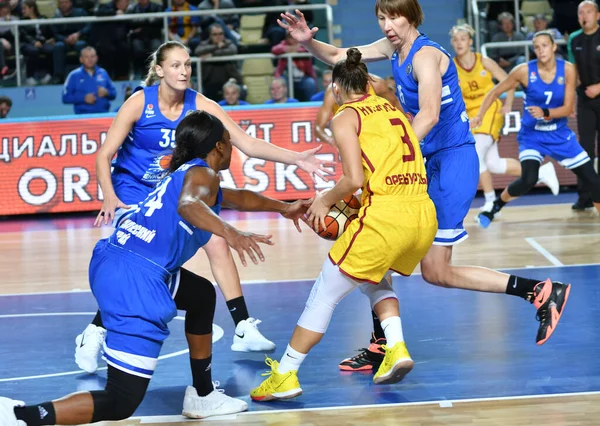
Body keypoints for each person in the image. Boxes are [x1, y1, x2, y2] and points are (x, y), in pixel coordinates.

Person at [278, 0, 570, 372]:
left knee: (436, 271)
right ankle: (382, 343)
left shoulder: (425, 56)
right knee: (379, 239)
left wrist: (394, 154)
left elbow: (430, 114)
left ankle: (538, 291)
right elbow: (338, 55)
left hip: (451, 161)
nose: (387, 25)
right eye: (382, 17)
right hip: (427, 159)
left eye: (394, 16)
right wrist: (306, 42)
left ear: (412, 16)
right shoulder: (393, 48)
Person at [0, 110, 312, 424]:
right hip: (137, 279)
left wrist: (284, 207)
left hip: (114, 258)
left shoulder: (189, 171)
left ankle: (203, 395)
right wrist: (231, 233)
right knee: (120, 400)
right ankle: (20, 417)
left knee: (201, 295)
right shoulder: (203, 176)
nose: (233, 148)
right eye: (230, 142)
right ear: (219, 146)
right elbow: (188, 205)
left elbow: (237, 198)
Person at [74, 41, 334, 374]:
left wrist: (297, 158)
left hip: (175, 190)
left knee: (216, 240)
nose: (183, 71)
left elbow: (248, 143)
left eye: (187, 65)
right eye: (176, 66)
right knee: (143, 263)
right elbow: (103, 154)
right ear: (159, 70)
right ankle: (95, 331)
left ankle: (242, 326)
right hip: (132, 193)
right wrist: (108, 195)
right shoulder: (139, 102)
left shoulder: (200, 104)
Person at [250, 48, 437, 401]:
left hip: (386, 217)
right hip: (422, 214)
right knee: (375, 279)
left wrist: (323, 200)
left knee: (325, 292)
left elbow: (352, 179)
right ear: (368, 82)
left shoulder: (344, 115)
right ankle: (395, 347)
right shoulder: (391, 108)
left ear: (337, 89)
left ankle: (286, 374)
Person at [473, 31, 600, 226]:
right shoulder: (523, 71)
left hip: (559, 135)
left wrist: (545, 112)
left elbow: (567, 108)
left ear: (554, 47)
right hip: (532, 136)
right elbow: (494, 92)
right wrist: (480, 116)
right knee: (528, 179)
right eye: (537, 47)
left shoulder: (567, 70)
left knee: (593, 180)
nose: (541, 50)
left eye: (545, 45)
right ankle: (496, 205)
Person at [451, 23, 559, 213]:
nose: (459, 43)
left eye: (462, 39)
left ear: (470, 41)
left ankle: (491, 200)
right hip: (470, 115)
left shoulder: (484, 61)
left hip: (490, 109)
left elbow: (509, 82)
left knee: (475, 153)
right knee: (493, 163)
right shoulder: (451, 66)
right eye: (455, 39)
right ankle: (541, 172)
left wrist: (508, 103)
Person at [568, 0, 600, 210]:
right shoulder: (574, 39)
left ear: (598, 15)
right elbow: (572, 72)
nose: (584, 16)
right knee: (584, 150)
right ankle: (585, 196)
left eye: (589, 12)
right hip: (585, 100)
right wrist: (569, 99)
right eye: (581, 12)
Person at [314, 72, 402, 148]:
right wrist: (333, 142)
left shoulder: (376, 83)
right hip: (349, 133)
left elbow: (395, 104)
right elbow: (318, 128)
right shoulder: (333, 90)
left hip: (376, 132)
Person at [62, 47, 117, 115]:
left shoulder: (103, 73)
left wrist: (107, 92)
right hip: (83, 118)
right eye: (86, 57)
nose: (90, 59)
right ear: (81, 59)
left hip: (103, 115)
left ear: (96, 58)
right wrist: (83, 98)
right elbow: (65, 97)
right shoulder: (74, 75)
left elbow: (114, 93)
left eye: (92, 56)